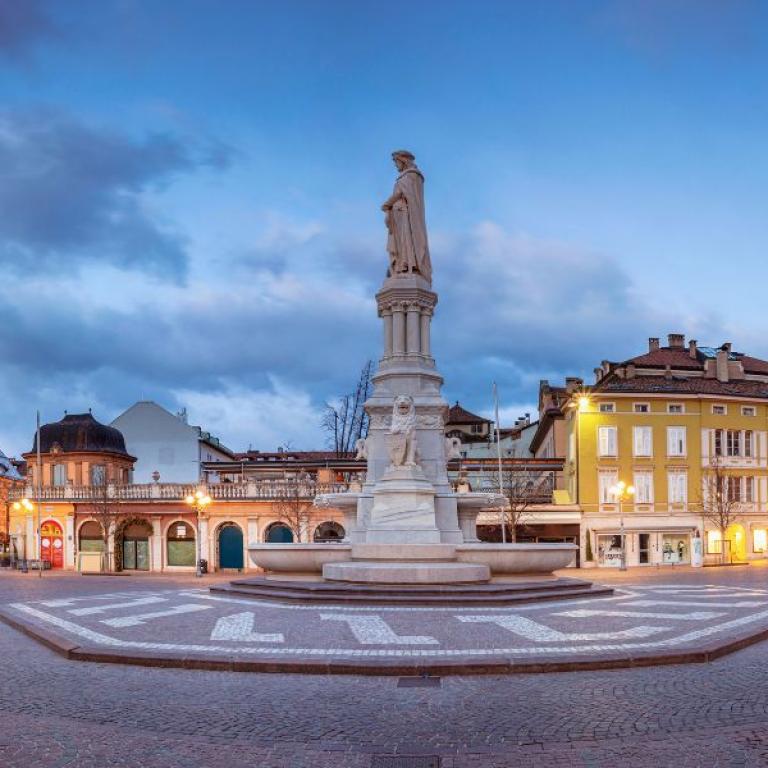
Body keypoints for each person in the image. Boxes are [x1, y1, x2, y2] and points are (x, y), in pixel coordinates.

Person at [381, 150, 432, 283]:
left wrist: (386, 204)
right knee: (399, 242)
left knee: (407, 239)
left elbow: (402, 193)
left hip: (406, 217)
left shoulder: (411, 176)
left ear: (403, 161)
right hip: (397, 215)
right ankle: (400, 265)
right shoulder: (405, 177)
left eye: (397, 163)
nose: (396, 166)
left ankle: (408, 264)